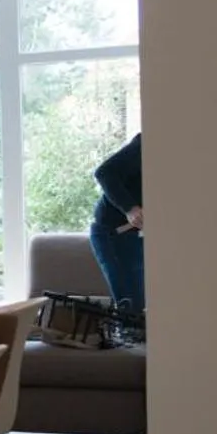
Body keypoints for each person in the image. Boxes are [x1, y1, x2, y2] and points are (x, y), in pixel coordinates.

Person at [89, 132, 144, 312]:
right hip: (113, 234)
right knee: (132, 308)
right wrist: (131, 208)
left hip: (133, 234)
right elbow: (104, 173)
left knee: (141, 308)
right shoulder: (147, 143)